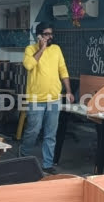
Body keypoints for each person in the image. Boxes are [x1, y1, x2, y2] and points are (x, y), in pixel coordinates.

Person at [20, 22, 74, 174]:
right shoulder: (30, 49)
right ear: (38, 36)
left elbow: (63, 70)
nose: (50, 37)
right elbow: (28, 65)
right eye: (46, 34)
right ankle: (23, 157)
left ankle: (48, 164)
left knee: (51, 133)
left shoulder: (56, 49)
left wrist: (69, 90)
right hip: (36, 99)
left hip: (54, 98)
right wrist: (42, 49)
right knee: (33, 131)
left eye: (51, 34)